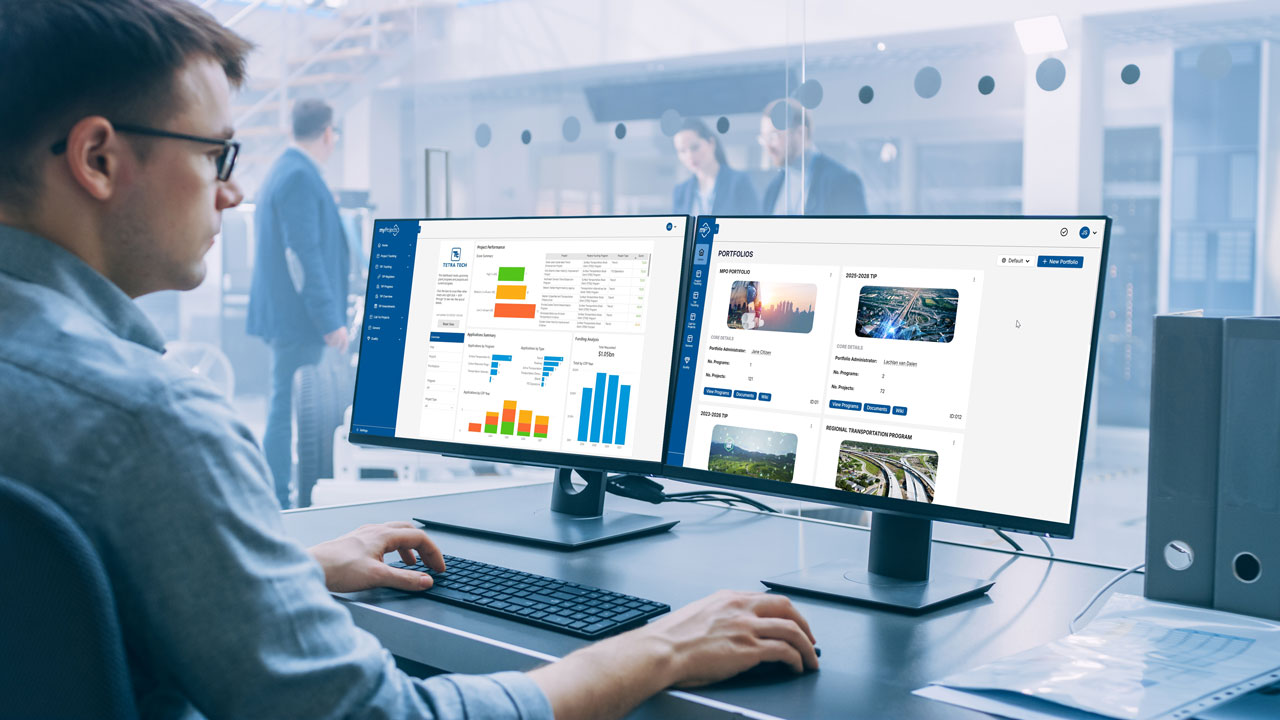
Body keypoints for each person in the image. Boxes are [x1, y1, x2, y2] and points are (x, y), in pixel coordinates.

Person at [0, 2, 818, 719]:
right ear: (98, 159)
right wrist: (660, 648)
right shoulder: (149, 424)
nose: (232, 192)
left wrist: (288, 572)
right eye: (216, 155)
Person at [247, 98, 350, 509]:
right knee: (289, 408)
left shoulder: (284, 169)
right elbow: (302, 255)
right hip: (298, 319)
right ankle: (281, 497)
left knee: (283, 403)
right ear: (327, 133)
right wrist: (329, 319)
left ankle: (280, 494)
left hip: (288, 316)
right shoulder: (299, 176)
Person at [759, 98, 868, 216]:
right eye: (764, 138)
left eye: (773, 136)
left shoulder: (841, 182)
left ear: (801, 133)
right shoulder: (773, 189)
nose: (768, 147)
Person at [672, 118, 758, 216]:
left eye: (695, 147)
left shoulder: (739, 182)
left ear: (711, 143)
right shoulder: (681, 192)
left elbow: (754, 221)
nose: (689, 156)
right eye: (682, 151)